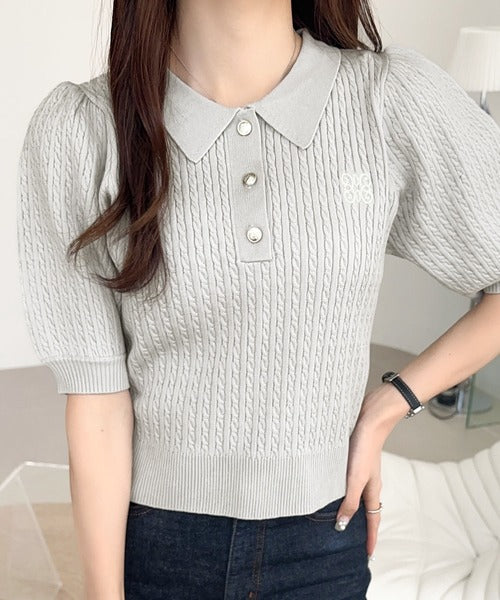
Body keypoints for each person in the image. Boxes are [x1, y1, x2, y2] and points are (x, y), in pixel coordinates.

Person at [16, 1, 500, 599]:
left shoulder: (388, 100)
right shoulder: (85, 131)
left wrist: (389, 404)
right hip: (158, 544)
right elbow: (97, 401)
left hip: (325, 541)